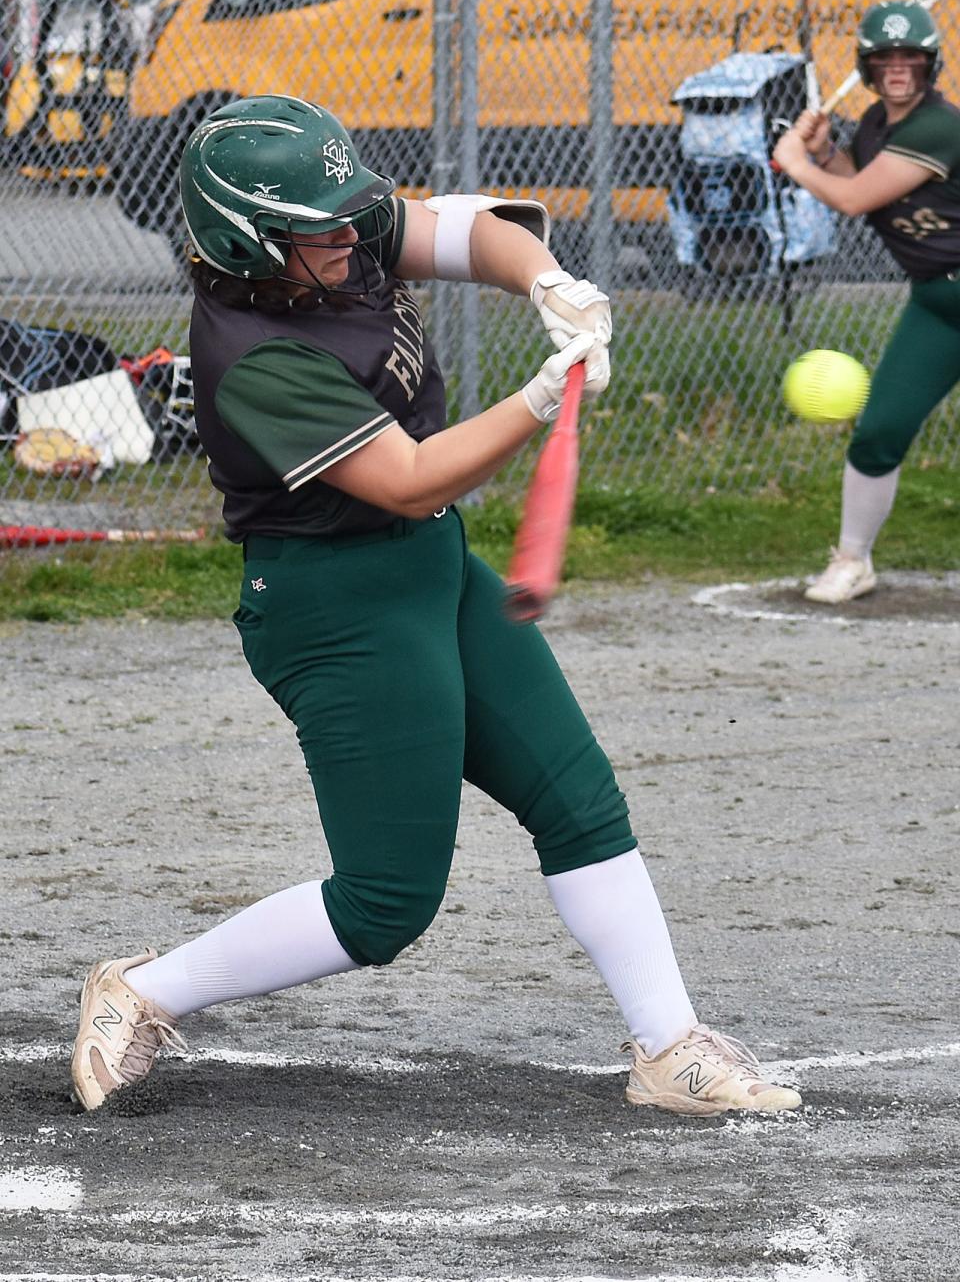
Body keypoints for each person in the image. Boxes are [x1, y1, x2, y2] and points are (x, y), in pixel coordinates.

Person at [70, 94, 801, 1117]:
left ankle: (670, 1049)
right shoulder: (256, 359)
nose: (351, 234)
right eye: (319, 227)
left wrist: (550, 285)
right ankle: (142, 990)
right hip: (335, 606)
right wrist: (542, 396)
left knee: (576, 798)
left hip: (429, 567)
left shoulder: (329, 231)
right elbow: (411, 476)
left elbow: (467, 231)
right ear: (251, 246)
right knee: (386, 903)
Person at [773, 1, 960, 604]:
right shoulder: (879, 124)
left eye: (911, 57)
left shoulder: (939, 127)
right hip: (939, 304)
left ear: (930, 64)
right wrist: (826, 153)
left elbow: (854, 199)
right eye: (886, 57)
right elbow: (858, 181)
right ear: (868, 64)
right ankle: (853, 560)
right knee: (879, 434)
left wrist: (799, 165)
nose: (898, 67)